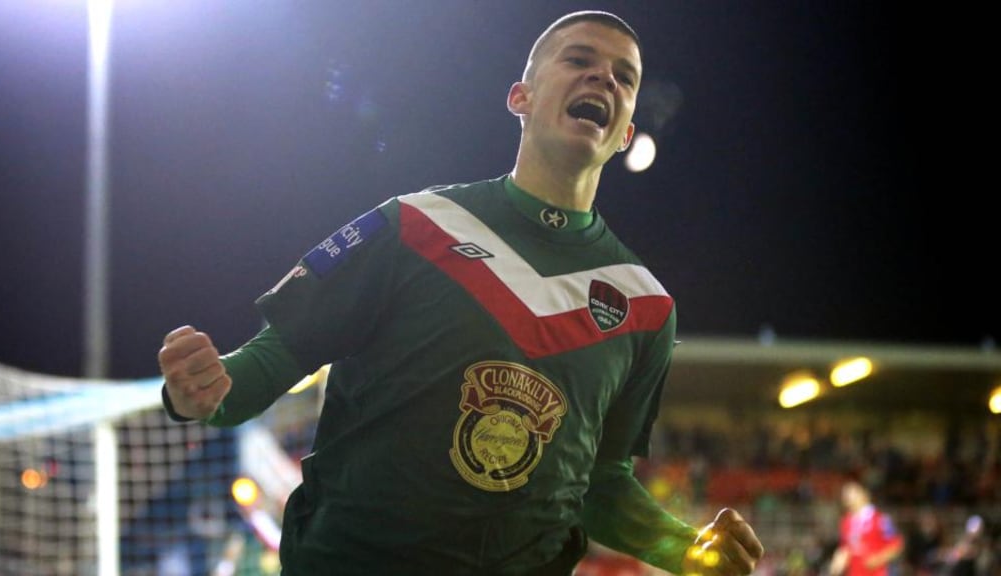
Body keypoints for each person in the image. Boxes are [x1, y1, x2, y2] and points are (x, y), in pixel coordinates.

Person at [157, 10, 764, 576]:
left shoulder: (646, 307)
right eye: (579, 60)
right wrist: (202, 389)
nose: (602, 76)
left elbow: (601, 482)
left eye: (623, 77)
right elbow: (270, 364)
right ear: (520, 98)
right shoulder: (413, 226)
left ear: (626, 131)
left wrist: (684, 547)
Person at [828, 479, 904, 576]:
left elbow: (897, 544)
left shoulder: (880, 519)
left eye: (852, 492)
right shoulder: (846, 522)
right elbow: (845, 548)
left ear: (864, 494)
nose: (848, 496)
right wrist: (836, 566)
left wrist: (878, 559)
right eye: (846, 494)